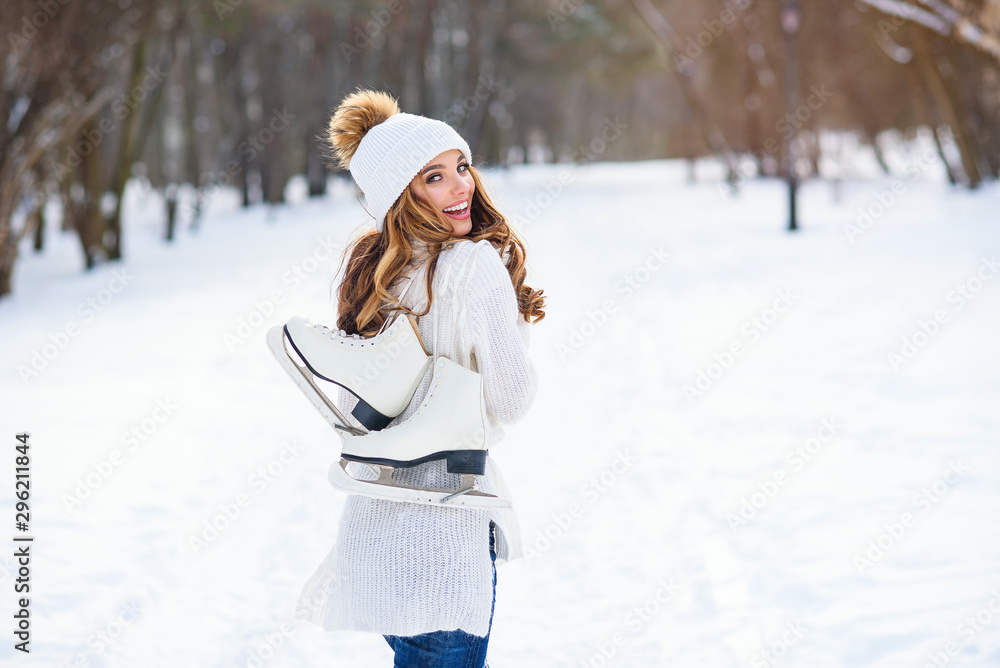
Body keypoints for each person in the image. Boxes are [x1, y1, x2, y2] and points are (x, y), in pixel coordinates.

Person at [294, 87, 545, 667]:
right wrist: (508, 321)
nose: (461, 186)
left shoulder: (373, 274)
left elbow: (362, 406)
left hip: (375, 530)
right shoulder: (473, 265)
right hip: (446, 540)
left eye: (462, 166)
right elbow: (512, 400)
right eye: (434, 177)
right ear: (399, 195)